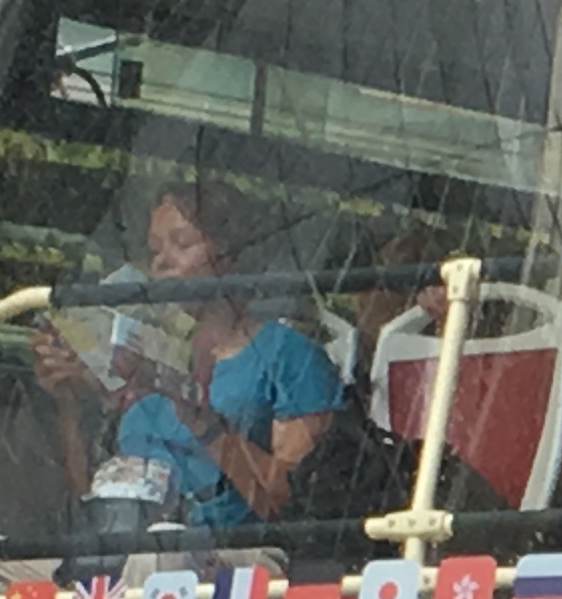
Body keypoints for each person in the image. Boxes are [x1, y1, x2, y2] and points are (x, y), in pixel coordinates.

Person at [33, 186, 338, 527]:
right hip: (118, 552)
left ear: (230, 255)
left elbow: (288, 504)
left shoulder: (287, 355)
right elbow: (86, 503)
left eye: (182, 244)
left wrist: (201, 420)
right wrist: (68, 402)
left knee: (154, 561)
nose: (162, 262)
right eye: (155, 250)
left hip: (223, 561)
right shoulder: (149, 353)